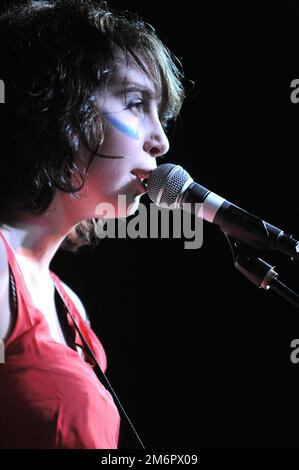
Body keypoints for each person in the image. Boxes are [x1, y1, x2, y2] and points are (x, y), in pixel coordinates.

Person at [0, 0, 184, 449]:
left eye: (161, 115)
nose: (159, 139)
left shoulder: (70, 305)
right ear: (61, 112)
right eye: (137, 103)